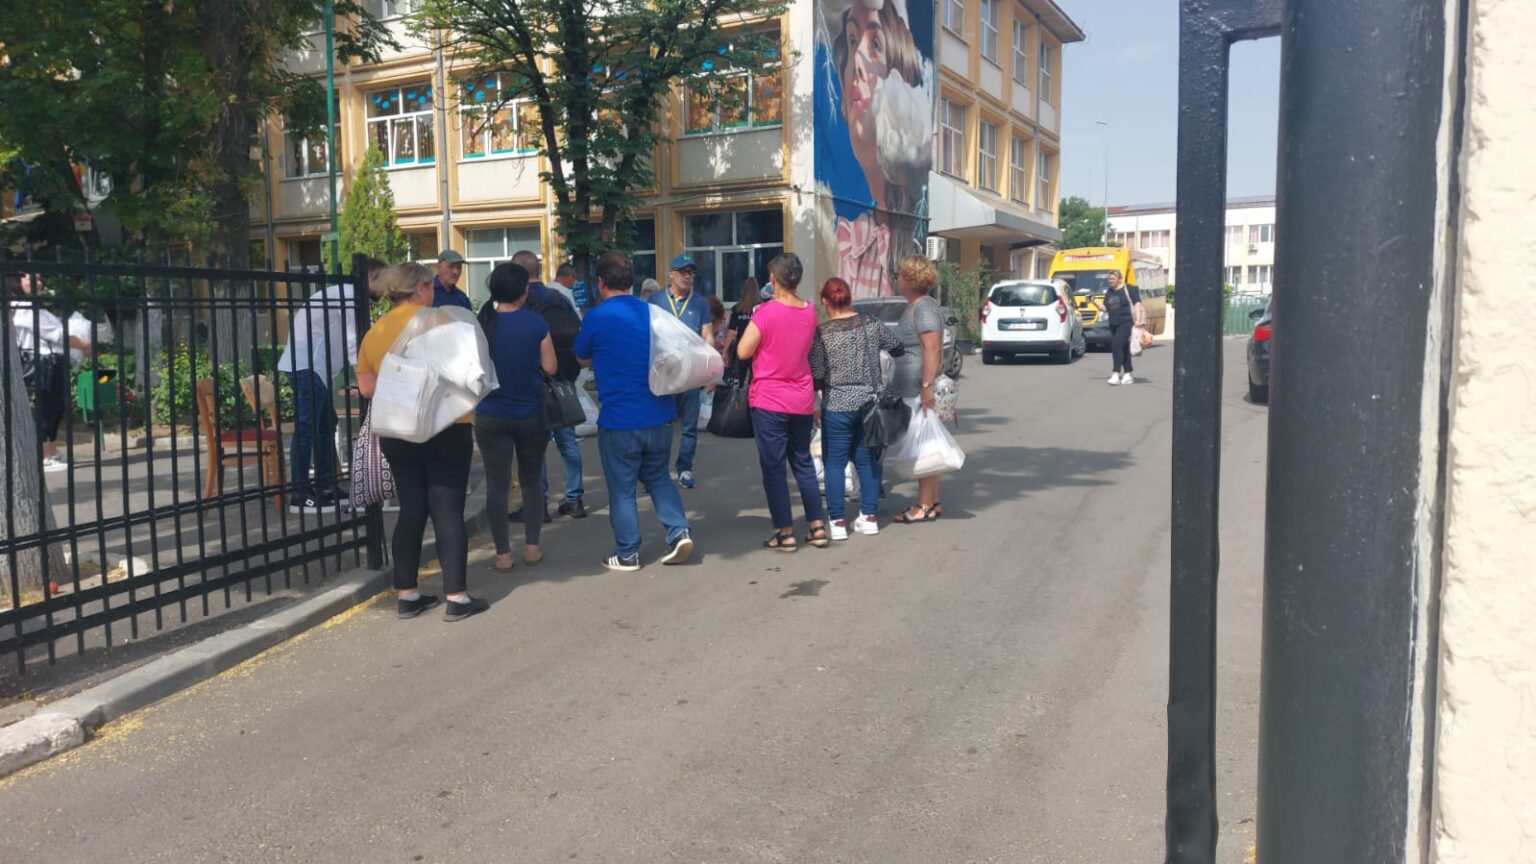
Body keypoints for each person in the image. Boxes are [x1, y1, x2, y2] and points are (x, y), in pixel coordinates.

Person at [356, 262, 488, 622]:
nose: (433, 293)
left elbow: (366, 388)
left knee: (411, 507)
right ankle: (457, 596)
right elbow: (469, 373)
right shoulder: (443, 322)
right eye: (430, 287)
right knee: (447, 510)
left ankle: (407, 594)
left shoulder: (375, 331)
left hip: (398, 428)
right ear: (419, 289)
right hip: (447, 426)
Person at [573, 252, 694, 572]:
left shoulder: (596, 318)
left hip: (620, 419)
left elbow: (581, 357)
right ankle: (678, 531)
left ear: (601, 283)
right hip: (659, 413)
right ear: (631, 281)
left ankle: (628, 553)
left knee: (622, 490)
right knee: (658, 478)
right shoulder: (654, 313)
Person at [831, 0, 930, 299]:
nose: (857, 62)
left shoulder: (910, 233)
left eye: (875, 45)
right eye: (852, 41)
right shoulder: (851, 236)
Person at [276, 257, 388, 512]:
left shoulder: (345, 294)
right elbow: (353, 340)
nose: (386, 288)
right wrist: (363, 374)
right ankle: (300, 493)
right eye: (384, 280)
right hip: (308, 366)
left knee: (325, 425)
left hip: (312, 368)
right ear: (371, 277)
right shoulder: (349, 295)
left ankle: (326, 486)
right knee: (307, 428)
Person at [735, 253, 829, 551]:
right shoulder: (810, 311)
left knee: (774, 467)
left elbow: (743, 351)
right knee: (802, 461)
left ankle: (785, 531)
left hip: (769, 399)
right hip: (801, 398)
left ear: (774, 279)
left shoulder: (765, 313)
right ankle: (817, 526)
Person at [474, 262, 558, 572]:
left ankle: (502, 554)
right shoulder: (536, 324)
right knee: (531, 481)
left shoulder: (481, 324)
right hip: (530, 414)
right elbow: (550, 367)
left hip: (490, 414)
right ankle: (532, 547)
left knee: (496, 485)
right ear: (523, 292)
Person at [809, 276, 903, 540]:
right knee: (866, 460)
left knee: (834, 463)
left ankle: (837, 522)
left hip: (837, 405)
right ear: (849, 297)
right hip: (869, 404)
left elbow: (817, 375)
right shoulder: (870, 323)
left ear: (825, 301)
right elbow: (896, 347)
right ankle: (869, 517)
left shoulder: (822, 333)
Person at [510, 249, 586, 521]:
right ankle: (574, 500)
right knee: (568, 443)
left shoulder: (517, 303)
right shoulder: (559, 298)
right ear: (539, 271)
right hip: (563, 382)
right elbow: (578, 334)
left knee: (535, 447)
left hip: (532, 384)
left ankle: (538, 505)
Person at [10, 273, 91, 472]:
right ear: (18, 282)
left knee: (56, 407)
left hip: (53, 361)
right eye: (31, 279)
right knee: (48, 408)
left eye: (39, 279)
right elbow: (55, 334)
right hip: (42, 362)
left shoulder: (36, 307)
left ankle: (50, 450)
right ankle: (45, 455)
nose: (38, 283)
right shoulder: (23, 308)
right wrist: (83, 344)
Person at [890, 254, 946, 524]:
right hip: (914, 388)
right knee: (927, 444)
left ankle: (923, 505)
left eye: (899, 275)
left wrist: (926, 387)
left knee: (922, 447)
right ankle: (932, 502)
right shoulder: (918, 306)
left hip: (917, 389)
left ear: (910, 279)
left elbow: (932, 348)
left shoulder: (923, 307)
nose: (897, 280)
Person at [649, 254, 713, 489]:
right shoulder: (656, 300)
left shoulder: (700, 303)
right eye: (683, 272)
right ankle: (657, 470)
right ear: (671, 274)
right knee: (660, 424)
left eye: (691, 273)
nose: (688, 276)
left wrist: (709, 370)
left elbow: (707, 336)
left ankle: (685, 468)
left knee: (689, 426)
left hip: (690, 373)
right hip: (664, 373)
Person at [1102, 269, 1146, 386]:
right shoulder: (1109, 292)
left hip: (1126, 322)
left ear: (1120, 279)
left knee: (1116, 345)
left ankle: (1115, 374)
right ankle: (1128, 374)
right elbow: (1105, 308)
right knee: (1124, 347)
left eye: (1113, 279)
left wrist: (1138, 319)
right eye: (1109, 279)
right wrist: (1093, 302)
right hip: (1113, 323)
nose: (1110, 281)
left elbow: (1137, 303)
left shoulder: (1129, 289)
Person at [722, 279, 762, 382]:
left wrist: (725, 351)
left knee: (740, 378)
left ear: (743, 290)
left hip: (741, 348)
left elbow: (731, 332)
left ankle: (741, 391)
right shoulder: (761, 308)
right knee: (756, 379)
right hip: (758, 349)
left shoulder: (737, 309)